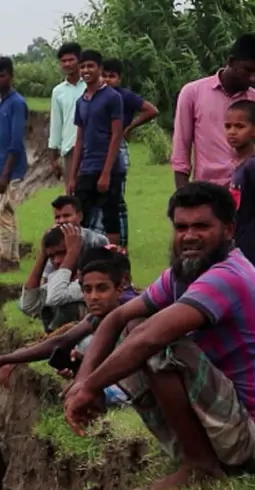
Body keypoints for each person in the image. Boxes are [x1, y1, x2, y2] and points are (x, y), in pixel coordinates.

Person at [64, 182, 255, 489]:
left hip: (245, 435)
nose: (189, 236)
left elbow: (149, 339)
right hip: (221, 423)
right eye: (181, 227)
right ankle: (195, 456)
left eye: (201, 226)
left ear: (229, 230)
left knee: (152, 342)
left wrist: (92, 385)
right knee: (133, 326)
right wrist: (82, 383)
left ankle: (199, 465)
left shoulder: (228, 276)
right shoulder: (182, 273)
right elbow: (116, 318)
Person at [0, 253, 132, 400]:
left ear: (119, 289)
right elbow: (61, 341)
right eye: (87, 290)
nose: (94, 297)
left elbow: (129, 364)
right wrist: (3, 359)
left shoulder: (130, 319)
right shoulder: (96, 317)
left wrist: (87, 369)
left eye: (101, 289)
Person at [171, 34, 255, 189]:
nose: (253, 78)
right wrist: (183, 197)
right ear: (230, 62)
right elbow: (181, 149)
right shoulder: (193, 93)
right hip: (208, 191)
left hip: (247, 192)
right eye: (248, 70)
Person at [100, 58, 160, 250]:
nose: (108, 80)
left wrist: (130, 126)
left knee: (116, 197)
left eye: (112, 76)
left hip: (118, 147)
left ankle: (120, 244)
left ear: (119, 78)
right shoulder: (96, 96)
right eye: (105, 75)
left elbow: (151, 110)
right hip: (99, 149)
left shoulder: (124, 96)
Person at [68, 50, 125, 245]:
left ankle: (113, 263)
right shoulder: (81, 101)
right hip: (87, 168)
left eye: (90, 66)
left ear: (99, 69)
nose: (86, 70)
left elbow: (116, 135)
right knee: (79, 217)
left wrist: (106, 173)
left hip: (108, 168)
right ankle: (82, 263)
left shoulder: (112, 97)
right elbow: (80, 140)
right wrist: (72, 176)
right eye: (82, 67)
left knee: (110, 218)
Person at [0, 56, 29, 273]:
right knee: (2, 215)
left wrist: (5, 174)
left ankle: (7, 260)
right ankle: (9, 257)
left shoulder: (17, 104)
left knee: (4, 213)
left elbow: (16, 142)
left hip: (11, 169)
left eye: (1, 76)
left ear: (10, 76)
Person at [21, 224, 90, 333]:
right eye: (51, 256)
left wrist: (72, 253)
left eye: (62, 253)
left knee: (68, 307)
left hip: (85, 343)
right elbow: (28, 305)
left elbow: (55, 297)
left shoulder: (87, 281)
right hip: (61, 344)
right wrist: (43, 255)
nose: (57, 261)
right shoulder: (56, 281)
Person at [42, 195, 109, 278]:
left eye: (66, 216)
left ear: (80, 216)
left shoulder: (96, 240)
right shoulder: (54, 242)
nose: (62, 221)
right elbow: (46, 276)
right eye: (57, 217)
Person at [49, 42, 86, 185]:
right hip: (69, 148)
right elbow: (56, 124)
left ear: (79, 60)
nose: (67, 64)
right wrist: (53, 156)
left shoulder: (90, 84)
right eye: (64, 61)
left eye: (71, 60)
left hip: (90, 147)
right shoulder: (58, 91)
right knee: (72, 196)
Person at [226, 100, 255, 265]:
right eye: (228, 126)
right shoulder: (240, 166)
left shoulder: (251, 166)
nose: (232, 132)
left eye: (239, 126)